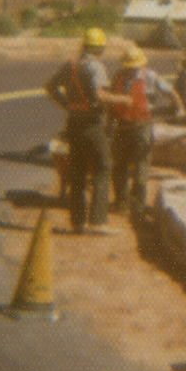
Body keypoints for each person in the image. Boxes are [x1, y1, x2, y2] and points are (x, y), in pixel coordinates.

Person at [44, 28, 129, 234]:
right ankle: (98, 221)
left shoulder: (71, 64)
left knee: (78, 172)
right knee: (103, 167)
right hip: (91, 125)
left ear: (84, 45)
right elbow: (100, 96)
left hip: (73, 123)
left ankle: (78, 222)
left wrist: (68, 105)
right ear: (100, 48)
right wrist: (124, 99)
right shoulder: (95, 67)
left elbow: (50, 87)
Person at [109, 45, 184, 220]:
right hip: (122, 126)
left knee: (141, 168)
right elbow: (112, 104)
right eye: (128, 66)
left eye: (133, 67)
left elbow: (170, 92)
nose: (130, 69)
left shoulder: (150, 77)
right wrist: (109, 124)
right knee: (119, 165)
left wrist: (180, 107)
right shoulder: (119, 76)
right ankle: (121, 202)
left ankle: (138, 206)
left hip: (142, 126)